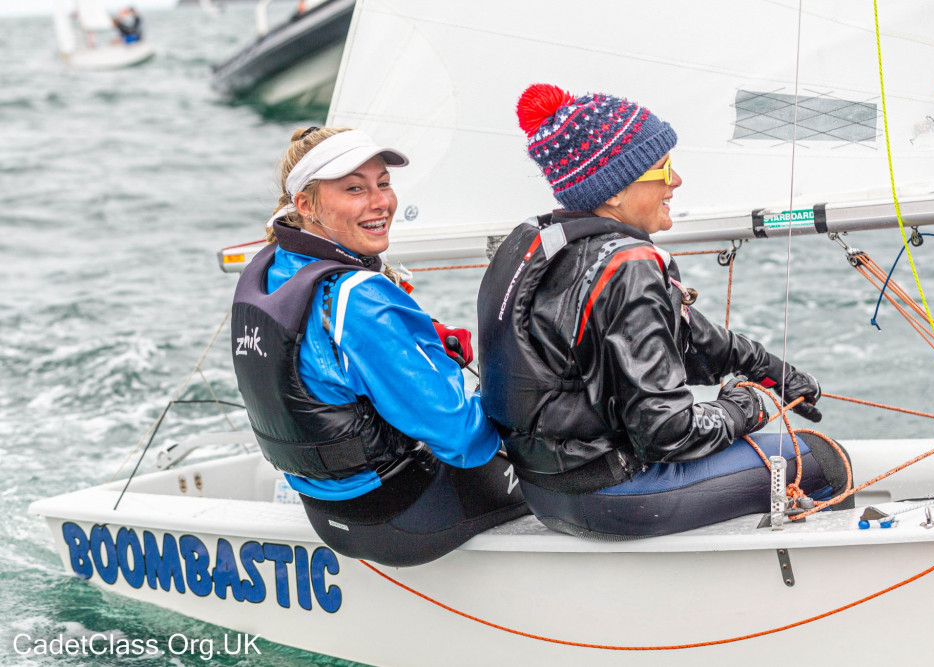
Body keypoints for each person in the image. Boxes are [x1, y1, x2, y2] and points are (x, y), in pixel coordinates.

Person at [477, 84, 853, 540]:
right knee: (827, 458)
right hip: (617, 497)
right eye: (662, 169)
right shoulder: (627, 265)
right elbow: (667, 433)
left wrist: (769, 368)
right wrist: (745, 407)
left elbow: (684, 337)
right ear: (614, 191)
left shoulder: (534, 250)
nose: (675, 181)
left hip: (543, 495)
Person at [232, 127, 528, 566]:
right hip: (403, 518)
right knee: (573, 473)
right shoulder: (361, 299)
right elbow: (463, 438)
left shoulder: (273, 267)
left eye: (383, 184)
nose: (380, 202)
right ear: (305, 204)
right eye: (355, 189)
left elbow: (325, 354)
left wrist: (419, 341)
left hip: (328, 510)